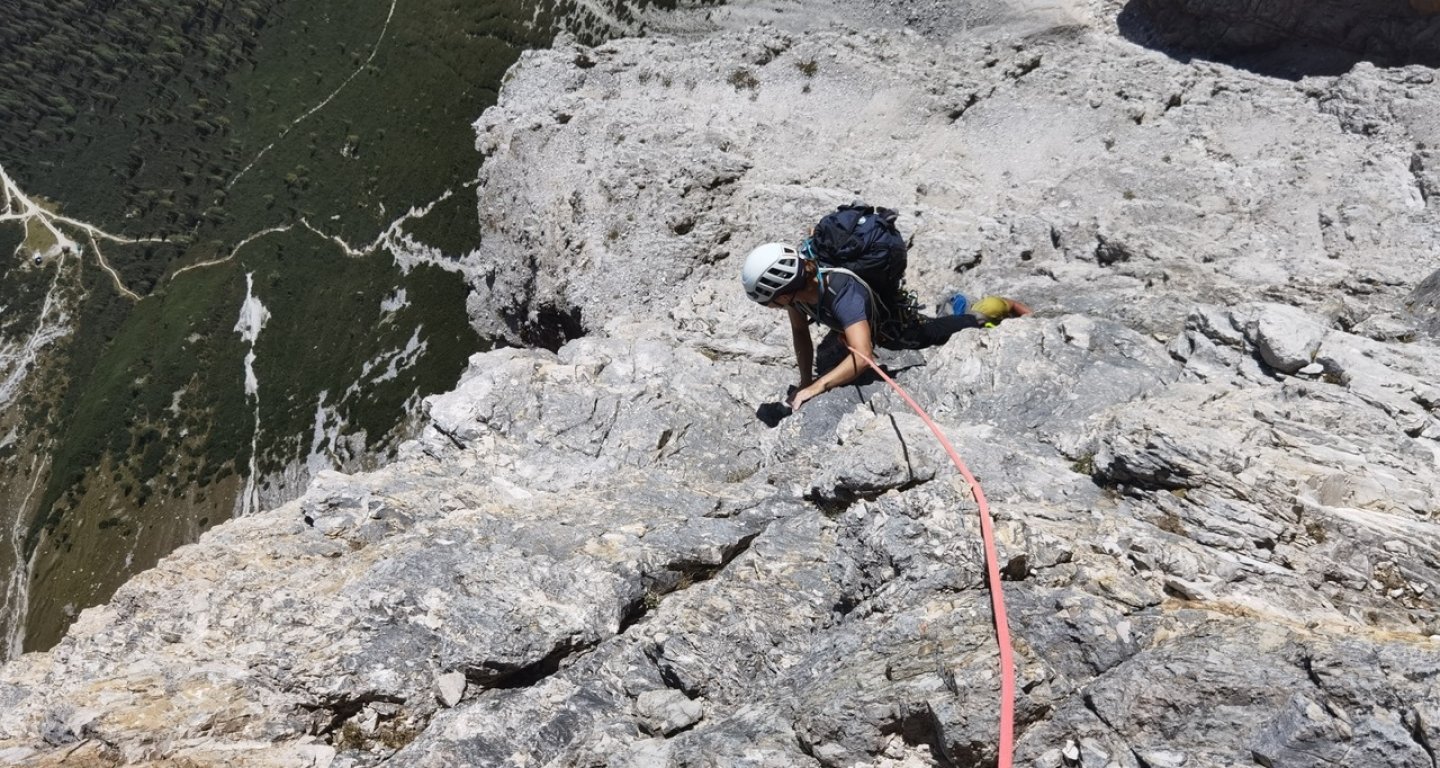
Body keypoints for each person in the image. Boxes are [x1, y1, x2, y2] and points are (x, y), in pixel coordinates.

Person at [741, 242, 1030, 412]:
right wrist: (804, 382)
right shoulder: (799, 294)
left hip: (899, 329)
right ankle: (958, 309)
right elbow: (800, 332)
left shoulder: (844, 294)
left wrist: (817, 386)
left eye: (771, 301)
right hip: (870, 322)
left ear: (782, 291)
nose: (774, 307)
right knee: (938, 323)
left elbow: (864, 356)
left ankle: (997, 308)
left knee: (941, 330)